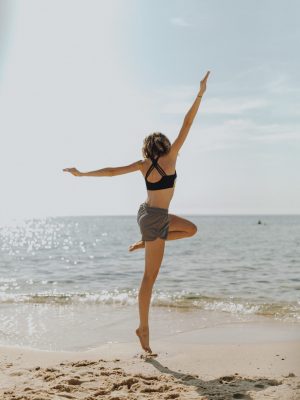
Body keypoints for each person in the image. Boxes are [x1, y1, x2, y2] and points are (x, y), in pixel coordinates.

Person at [63, 70, 211, 354]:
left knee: (190, 229)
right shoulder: (171, 157)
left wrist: (82, 174)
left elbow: (110, 172)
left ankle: (148, 241)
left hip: (147, 214)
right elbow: (188, 122)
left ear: (147, 147)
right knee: (149, 278)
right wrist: (200, 93)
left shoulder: (144, 165)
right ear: (165, 145)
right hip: (155, 219)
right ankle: (143, 328)